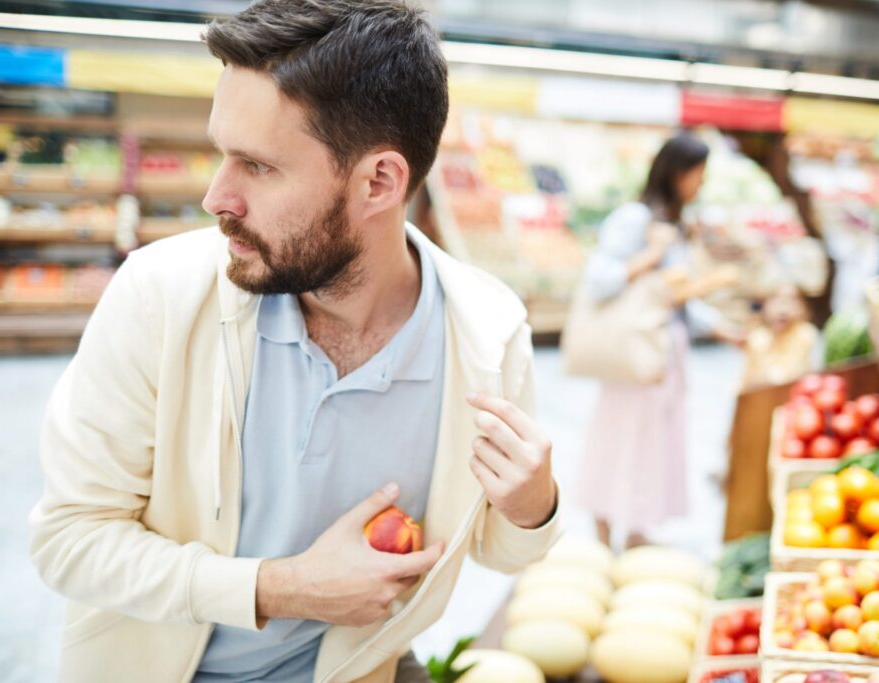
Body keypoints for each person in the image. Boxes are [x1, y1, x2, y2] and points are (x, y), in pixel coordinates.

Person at [28, 2, 560, 682]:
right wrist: (278, 587)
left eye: (257, 166)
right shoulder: (159, 295)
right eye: (223, 154)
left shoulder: (486, 334)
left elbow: (504, 553)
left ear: (379, 181)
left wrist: (533, 504)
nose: (216, 196)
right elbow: (67, 539)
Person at [575, 134, 738, 550]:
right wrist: (649, 256)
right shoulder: (635, 219)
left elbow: (673, 296)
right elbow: (599, 281)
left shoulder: (672, 223)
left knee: (651, 442)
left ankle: (635, 531)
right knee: (619, 439)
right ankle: (603, 529)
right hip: (634, 350)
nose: (701, 183)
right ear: (679, 172)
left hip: (664, 352)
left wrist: (720, 328)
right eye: (699, 174)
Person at [741, 284, 820, 389]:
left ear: (804, 308)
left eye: (791, 301)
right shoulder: (756, 339)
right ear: (764, 306)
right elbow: (745, 387)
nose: (783, 310)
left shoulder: (808, 335)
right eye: (776, 301)